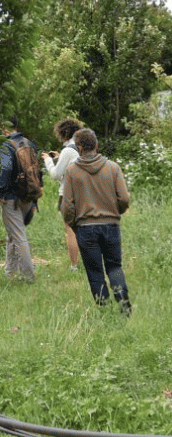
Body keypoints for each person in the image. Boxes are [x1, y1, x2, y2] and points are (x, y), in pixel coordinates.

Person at [62, 128, 132, 315]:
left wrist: (74, 224)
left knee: (95, 272)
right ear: (97, 145)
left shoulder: (71, 171)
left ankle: (104, 310)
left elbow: (67, 206)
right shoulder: (113, 168)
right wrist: (115, 213)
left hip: (85, 228)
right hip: (111, 225)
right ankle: (124, 304)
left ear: (78, 148)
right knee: (114, 266)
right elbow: (124, 199)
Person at [0, 116, 39, 281]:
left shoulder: (6, 146)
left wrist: (1, 193)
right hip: (28, 195)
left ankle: (28, 275)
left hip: (11, 197)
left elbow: (6, 170)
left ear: (5, 126)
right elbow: (36, 171)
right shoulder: (29, 143)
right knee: (13, 233)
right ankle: (11, 271)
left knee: (19, 236)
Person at [42, 118, 81, 271]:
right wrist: (59, 158)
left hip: (68, 194)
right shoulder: (81, 148)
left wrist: (48, 161)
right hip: (84, 193)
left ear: (63, 133)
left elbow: (56, 175)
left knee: (71, 231)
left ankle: (74, 265)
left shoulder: (68, 151)